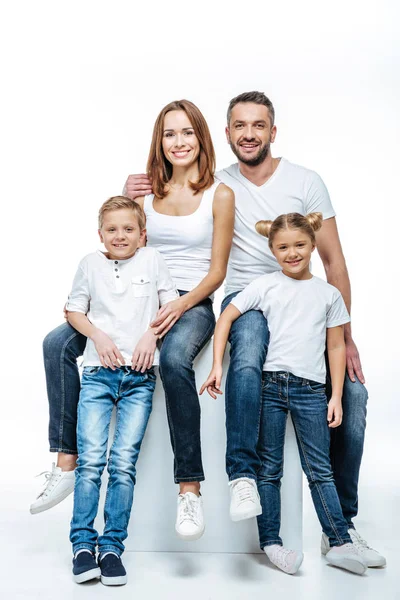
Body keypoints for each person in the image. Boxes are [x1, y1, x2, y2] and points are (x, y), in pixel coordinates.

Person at [124, 91, 385, 566]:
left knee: (358, 394)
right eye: (239, 126)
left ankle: (341, 527)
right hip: (247, 303)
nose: (248, 134)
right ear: (225, 135)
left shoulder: (306, 182)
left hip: (307, 309)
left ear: (273, 131)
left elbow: (334, 263)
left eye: (258, 125)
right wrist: (132, 192)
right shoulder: (215, 185)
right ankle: (241, 480)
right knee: (248, 355)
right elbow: (161, 214)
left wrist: (345, 336)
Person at [34, 100, 235, 543]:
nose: (178, 142)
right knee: (55, 344)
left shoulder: (219, 193)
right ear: (158, 142)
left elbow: (217, 273)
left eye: (187, 133)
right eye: (169, 134)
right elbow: (120, 238)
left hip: (190, 300)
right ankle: (66, 461)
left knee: (177, 360)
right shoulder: (146, 189)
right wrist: (126, 192)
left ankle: (189, 487)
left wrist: (178, 308)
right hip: (134, 298)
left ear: (201, 138)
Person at [201, 212, 368, 575]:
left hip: (311, 391)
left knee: (320, 470)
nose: (292, 253)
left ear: (312, 245)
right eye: (282, 247)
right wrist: (217, 364)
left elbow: (336, 347)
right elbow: (226, 317)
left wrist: (336, 395)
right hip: (271, 387)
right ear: (272, 250)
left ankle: (339, 541)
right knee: (269, 469)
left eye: (300, 245)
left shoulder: (328, 295)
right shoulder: (264, 285)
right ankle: (272, 544)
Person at [67, 196, 178, 585]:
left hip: (140, 378)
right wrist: (97, 336)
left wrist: (151, 333)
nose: (120, 235)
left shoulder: (153, 261)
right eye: (112, 229)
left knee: (123, 465)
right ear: (100, 234)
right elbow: (74, 309)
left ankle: (112, 548)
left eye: (129, 229)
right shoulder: (89, 264)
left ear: (142, 234)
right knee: (92, 462)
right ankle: (82, 546)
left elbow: (171, 304)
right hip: (98, 375)